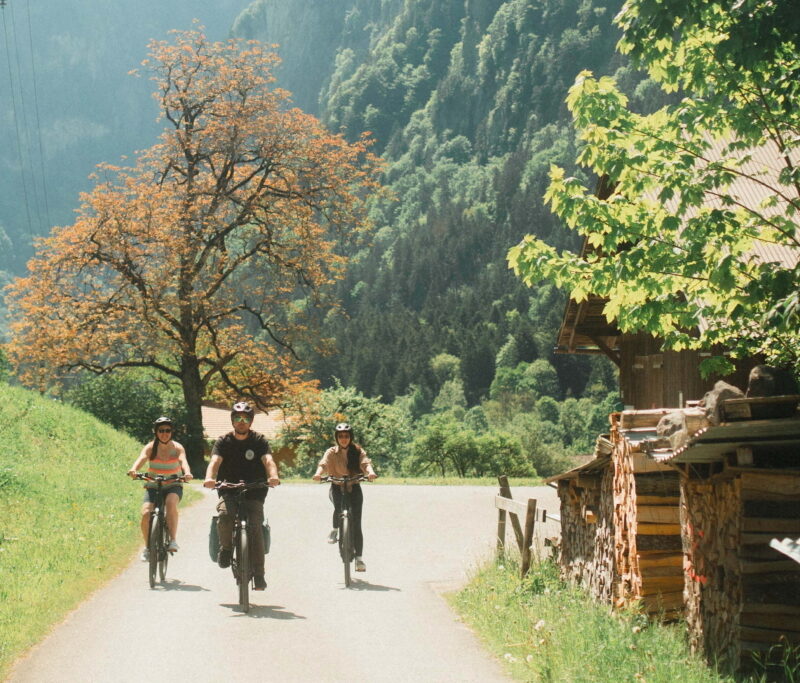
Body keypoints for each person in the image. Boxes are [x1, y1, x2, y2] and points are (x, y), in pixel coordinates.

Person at [203, 401, 280, 591]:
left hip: (255, 490)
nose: (241, 422)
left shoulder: (259, 441)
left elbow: (268, 460)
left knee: (255, 528)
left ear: (251, 421)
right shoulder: (223, 441)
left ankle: (260, 574)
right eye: (237, 418)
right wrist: (209, 478)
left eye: (245, 418)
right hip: (228, 489)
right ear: (232, 420)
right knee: (225, 515)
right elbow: (214, 461)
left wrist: (273, 476)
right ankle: (226, 549)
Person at [312, 422, 377, 572]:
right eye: (340, 436)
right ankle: (335, 529)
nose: (343, 439)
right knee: (338, 507)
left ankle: (359, 559)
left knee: (357, 523)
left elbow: (365, 463)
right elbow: (323, 464)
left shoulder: (357, 451)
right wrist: (318, 474)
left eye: (346, 436)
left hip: (354, 487)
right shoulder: (331, 452)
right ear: (336, 438)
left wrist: (370, 472)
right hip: (337, 486)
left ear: (350, 437)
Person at [128, 416, 193, 561]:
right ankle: (147, 548)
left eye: (168, 430)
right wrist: (133, 469)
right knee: (146, 513)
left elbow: (183, 461)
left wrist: (187, 473)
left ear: (172, 432)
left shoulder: (177, 448)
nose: (165, 433)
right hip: (153, 484)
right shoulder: (151, 447)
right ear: (156, 432)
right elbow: (142, 458)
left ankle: (173, 540)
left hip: (173, 484)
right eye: (161, 430)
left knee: (170, 503)